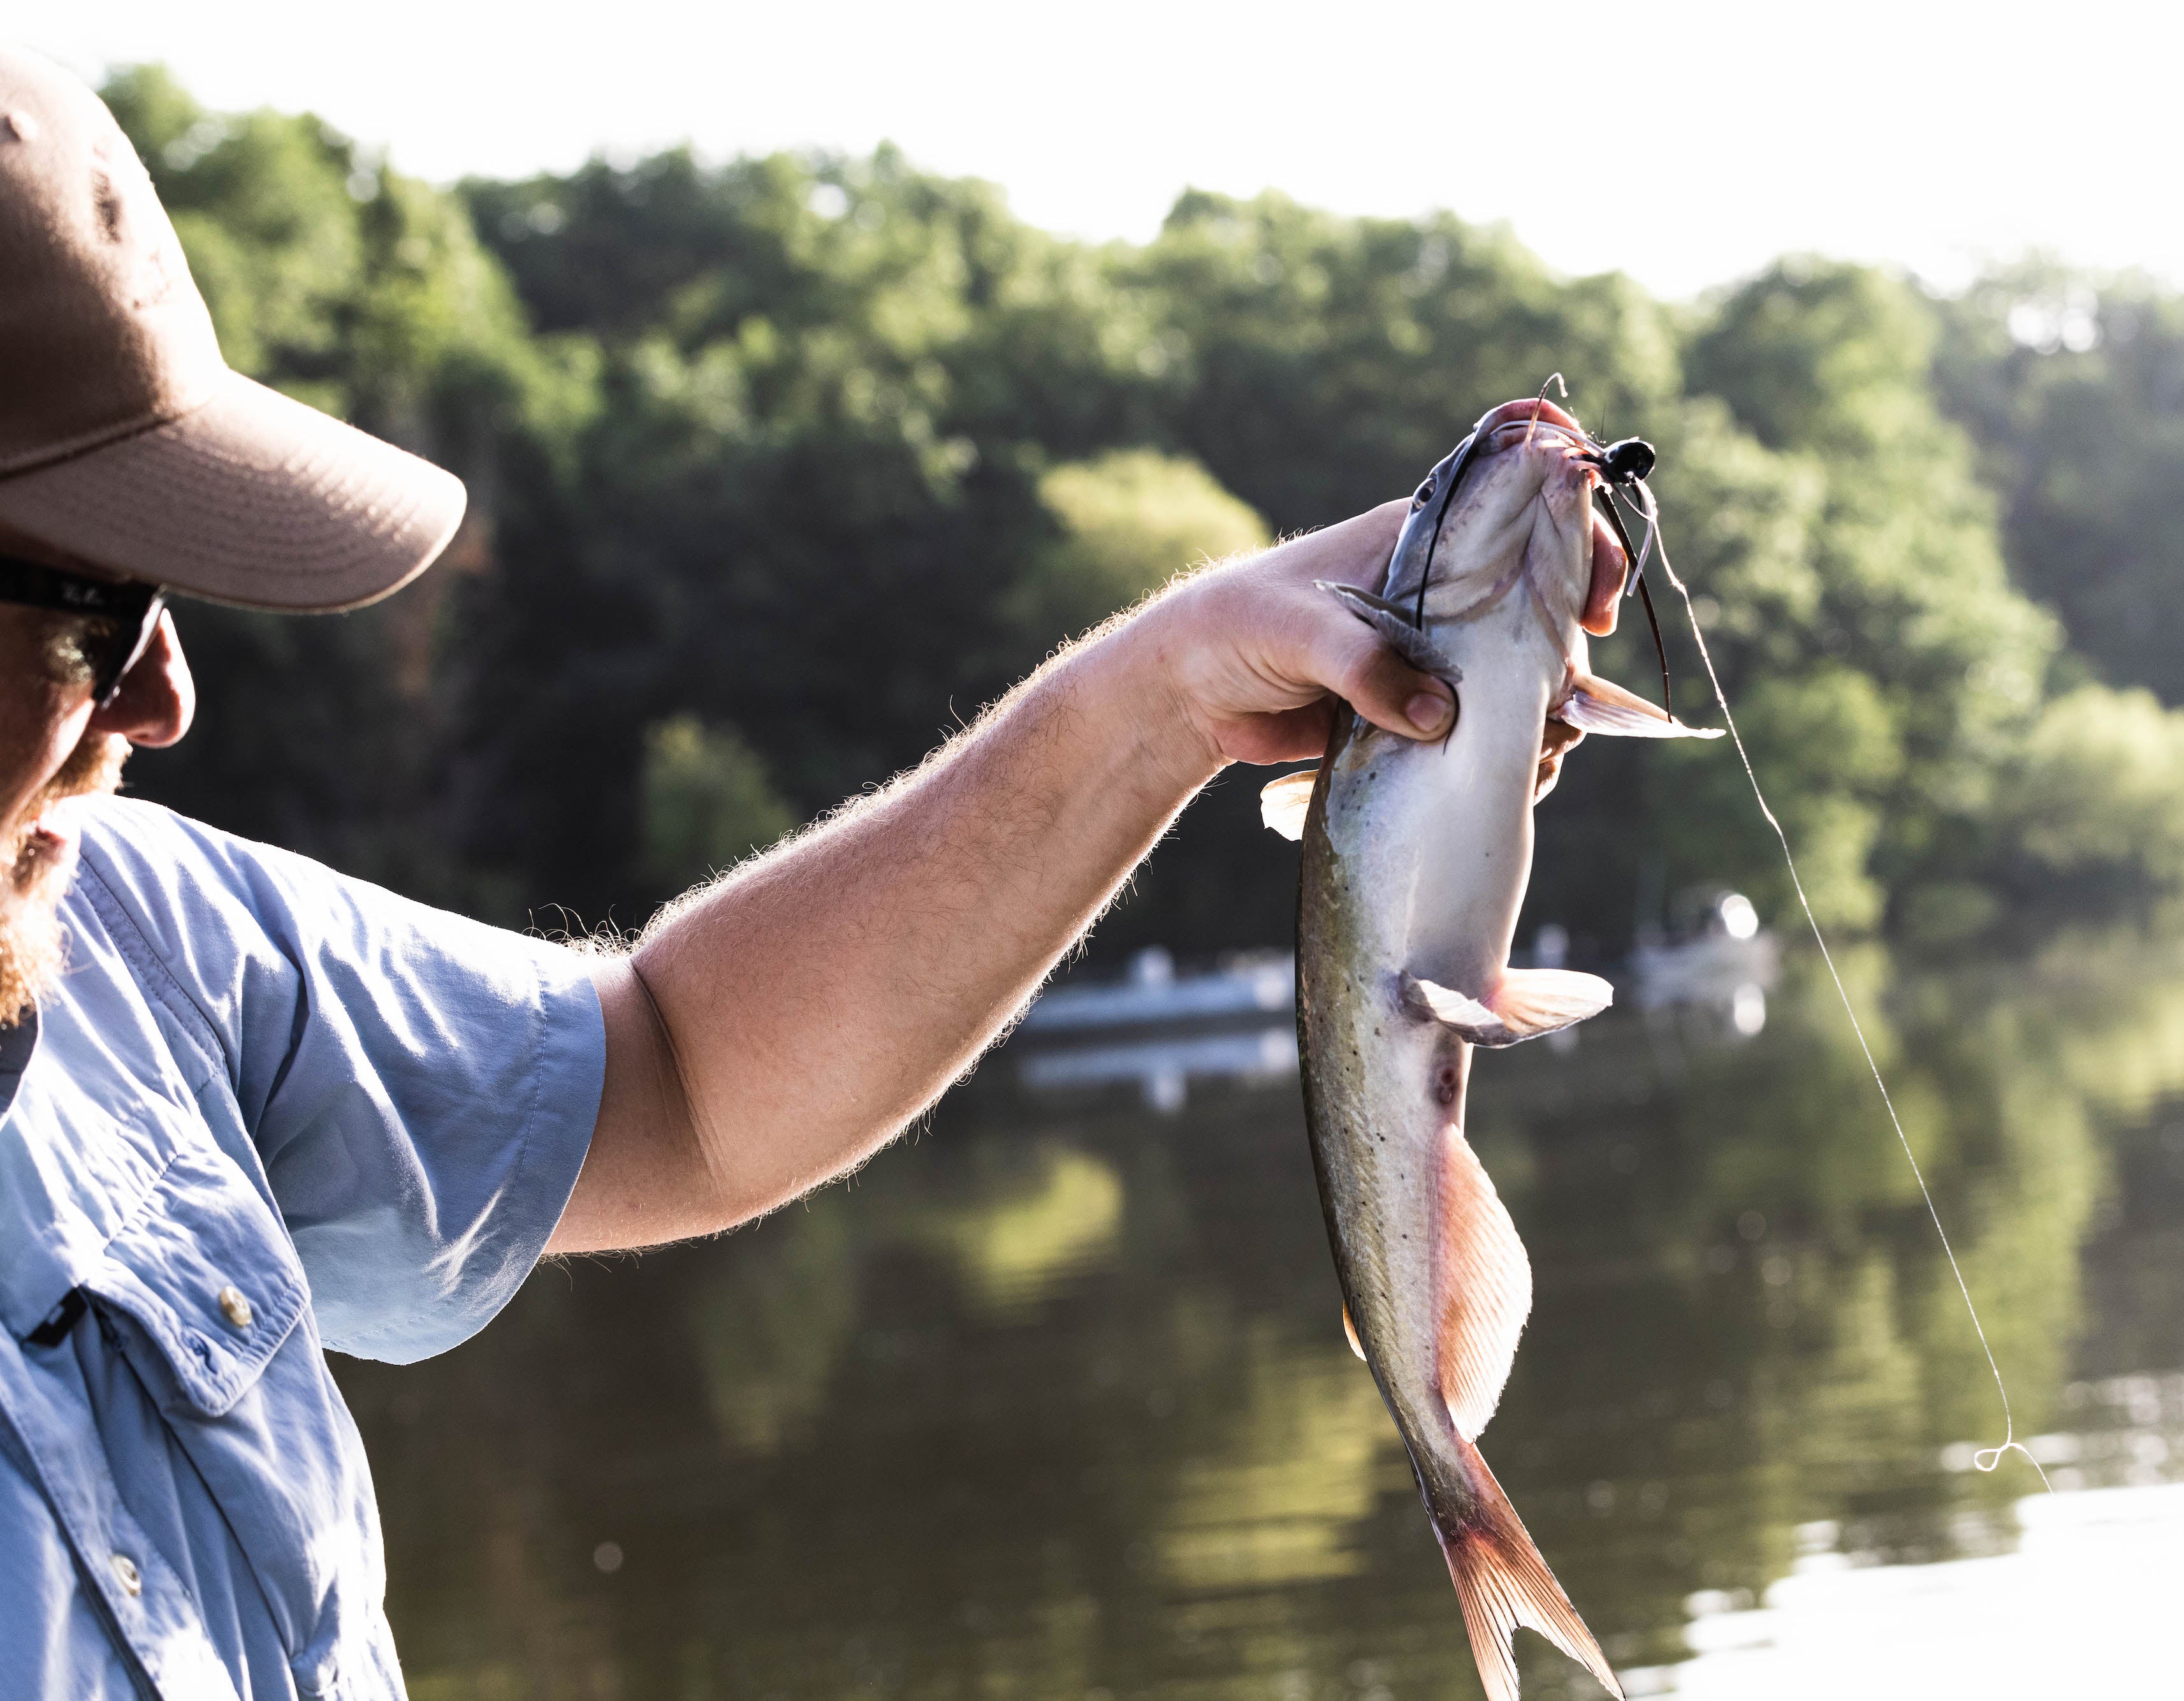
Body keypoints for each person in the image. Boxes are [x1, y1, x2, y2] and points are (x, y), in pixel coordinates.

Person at [0, 44, 1626, 1701]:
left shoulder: (146, 934)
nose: (162, 695)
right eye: (89, 607)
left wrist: (1176, 685)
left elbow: (682, 1082)